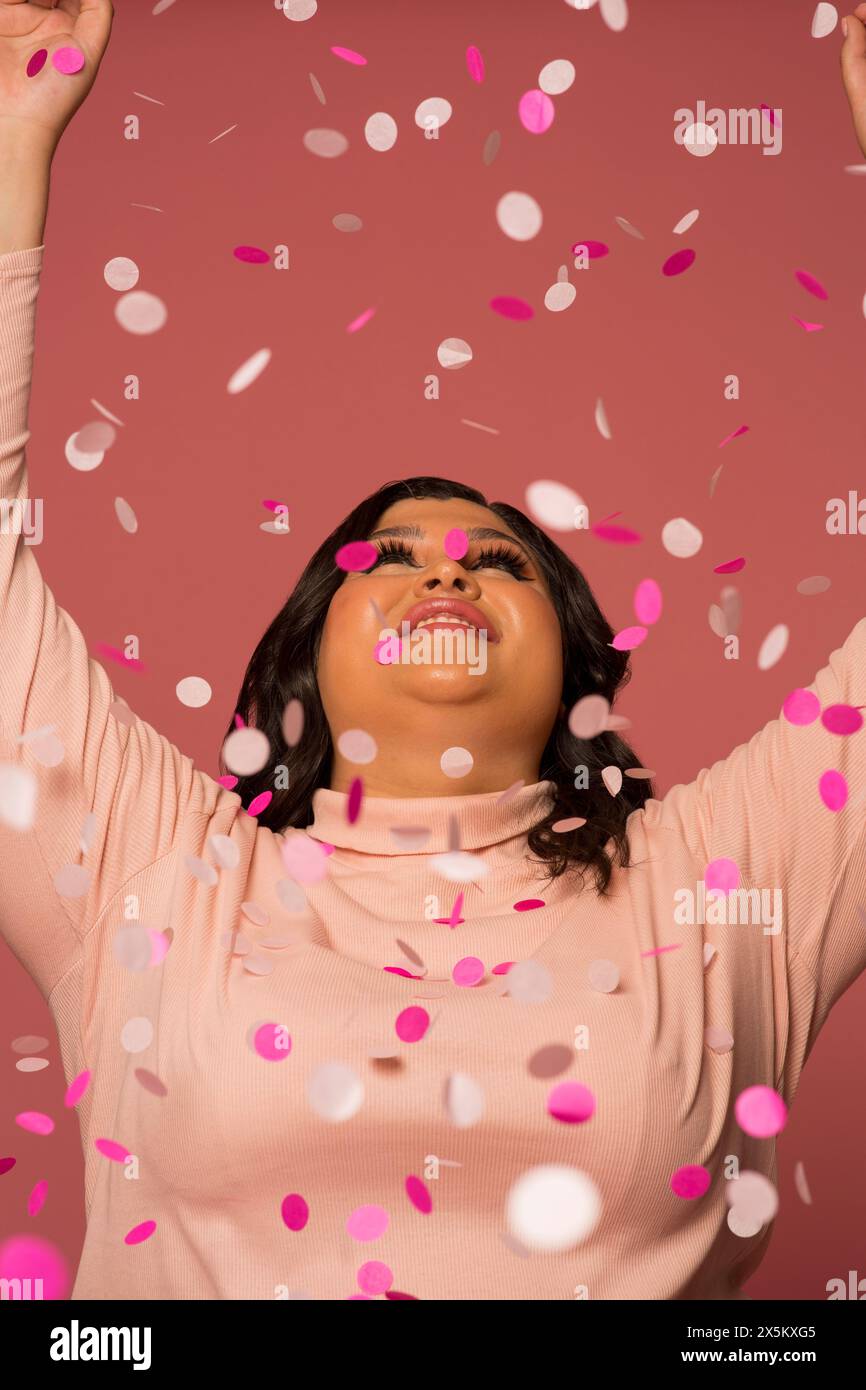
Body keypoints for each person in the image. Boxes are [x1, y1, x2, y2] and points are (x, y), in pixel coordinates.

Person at [1, 0, 866, 1302]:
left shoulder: (724, 889)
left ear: (580, 669)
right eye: (386, 557)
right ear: (300, 658)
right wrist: (13, 134)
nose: (447, 568)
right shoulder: (153, 876)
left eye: (502, 560)